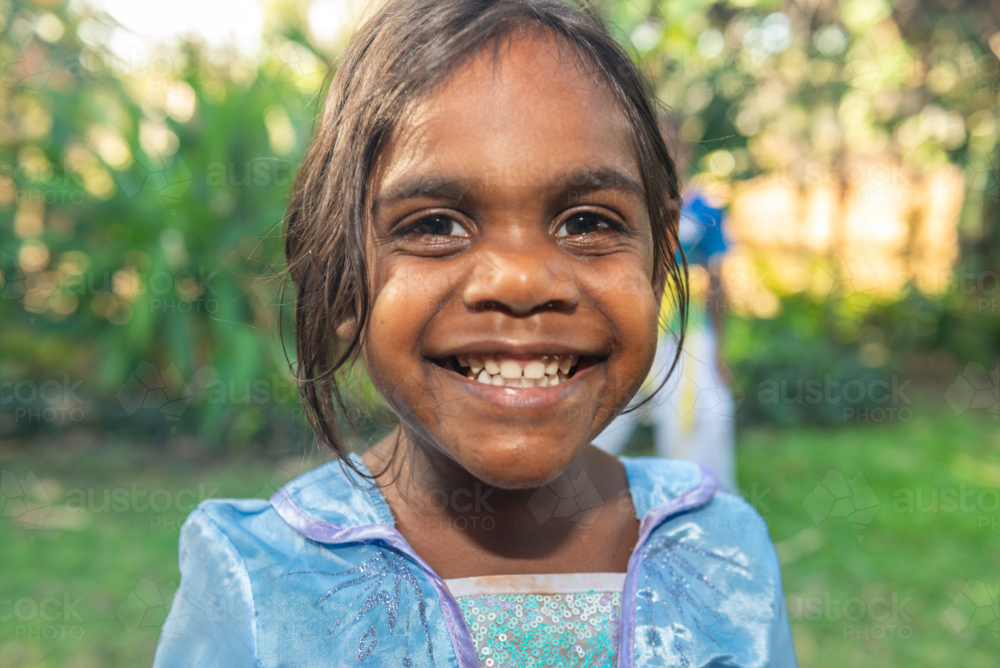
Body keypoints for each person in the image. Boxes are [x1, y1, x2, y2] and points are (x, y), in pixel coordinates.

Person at [153, 1, 795, 666]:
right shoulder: (260, 581)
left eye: (586, 222)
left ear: (660, 261)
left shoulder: (720, 553)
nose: (519, 281)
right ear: (342, 274)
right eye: (435, 225)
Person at [592, 176, 739, 492]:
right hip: (631, 330)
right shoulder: (626, 202)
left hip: (687, 336)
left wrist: (719, 349)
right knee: (608, 412)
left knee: (704, 415)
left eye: (675, 142)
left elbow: (716, 281)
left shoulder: (705, 210)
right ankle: (566, 486)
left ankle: (703, 495)